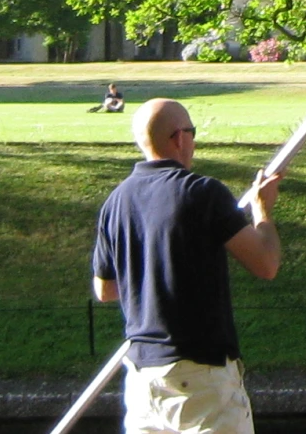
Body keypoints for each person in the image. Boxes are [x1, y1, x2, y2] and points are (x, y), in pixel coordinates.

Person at [93, 98, 283, 434]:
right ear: (179, 137)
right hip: (201, 379)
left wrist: (155, 269)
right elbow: (266, 263)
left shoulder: (116, 202)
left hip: (143, 379)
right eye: (192, 133)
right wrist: (262, 211)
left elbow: (106, 289)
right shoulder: (202, 192)